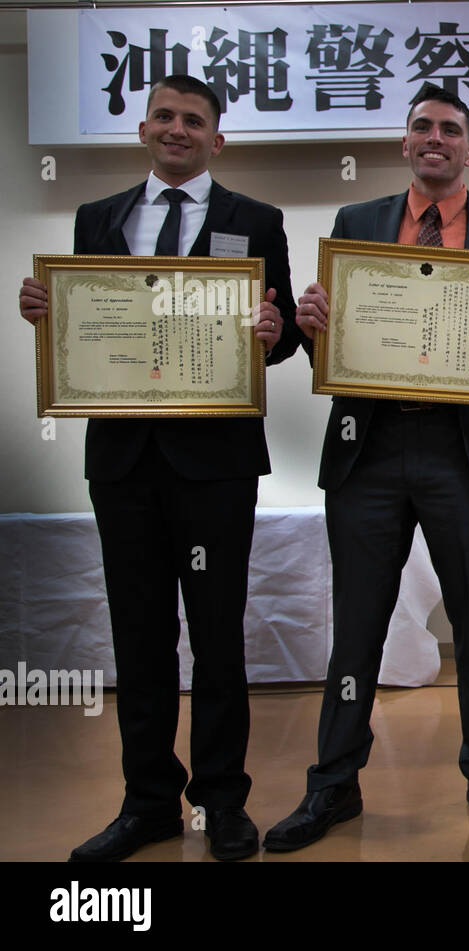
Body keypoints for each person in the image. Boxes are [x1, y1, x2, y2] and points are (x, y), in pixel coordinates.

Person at [17, 74, 300, 861]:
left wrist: (275, 330)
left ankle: (220, 801)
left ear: (219, 138)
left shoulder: (257, 221)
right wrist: (47, 312)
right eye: (165, 117)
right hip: (121, 459)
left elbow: (283, 344)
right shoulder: (96, 217)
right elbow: (86, 328)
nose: (178, 130)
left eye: (194, 121)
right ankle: (147, 802)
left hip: (216, 462)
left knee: (217, 638)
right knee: (139, 638)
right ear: (145, 128)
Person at [263, 84, 469, 851]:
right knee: (355, 626)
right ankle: (333, 785)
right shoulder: (357, 225)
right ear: (404, 144)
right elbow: (336, 343)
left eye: (451, 129)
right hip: (371, 447)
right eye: (422, 125)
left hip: (467, 452)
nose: (435, 138)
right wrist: (313, 326)